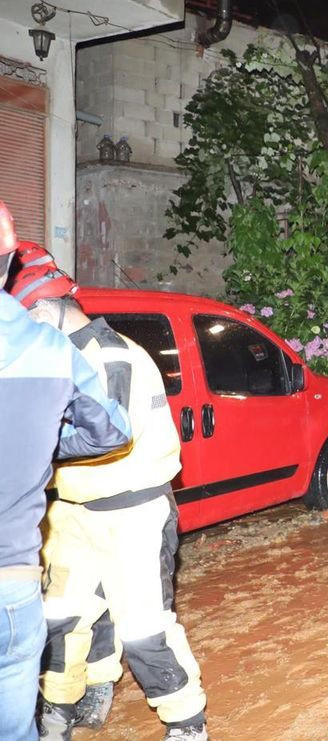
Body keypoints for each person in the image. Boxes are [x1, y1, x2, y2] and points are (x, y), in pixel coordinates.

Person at [7, 248, 208, 741]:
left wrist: (35, 447)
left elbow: (105, 436)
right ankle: (57, 710)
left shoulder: (111, 355)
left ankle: (186, 722)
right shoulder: (55, 355)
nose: (25, 326)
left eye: (27, 313)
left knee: (144, 628)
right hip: (73, 515)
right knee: (60, 619)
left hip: (132, 514)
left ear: (47, 304)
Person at [0, 201, 131, 741]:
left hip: (114, 514)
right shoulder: (49, 350)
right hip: (16, 576)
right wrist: (44, 449)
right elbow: (108, 430)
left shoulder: (116, 354)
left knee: (116, 614)